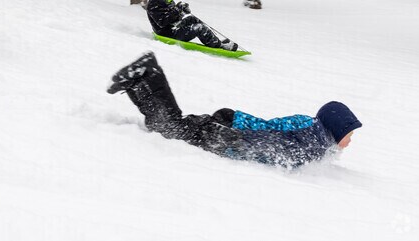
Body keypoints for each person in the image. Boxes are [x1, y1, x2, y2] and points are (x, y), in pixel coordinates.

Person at [107, 52, 362, 168]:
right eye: (349, 134)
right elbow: (275, 144)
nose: (350, 142)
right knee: (171, 131)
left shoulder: (313, 132)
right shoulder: (313, 139)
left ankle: (139, 81)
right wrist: (236, 143)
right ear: (337, 128)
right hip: (230, 133)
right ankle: (148, 74)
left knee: (170, 130)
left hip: (233, 129)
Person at [147, 0, 238, 51]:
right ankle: (219, 46)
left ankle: (215, 41)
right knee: (199, 28)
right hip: (167, 33)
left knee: (193, 19)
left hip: (173, 27)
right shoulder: (153, 3)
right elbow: (162, 22)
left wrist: (183, 11)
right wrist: (177, 10)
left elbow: (174, 14)